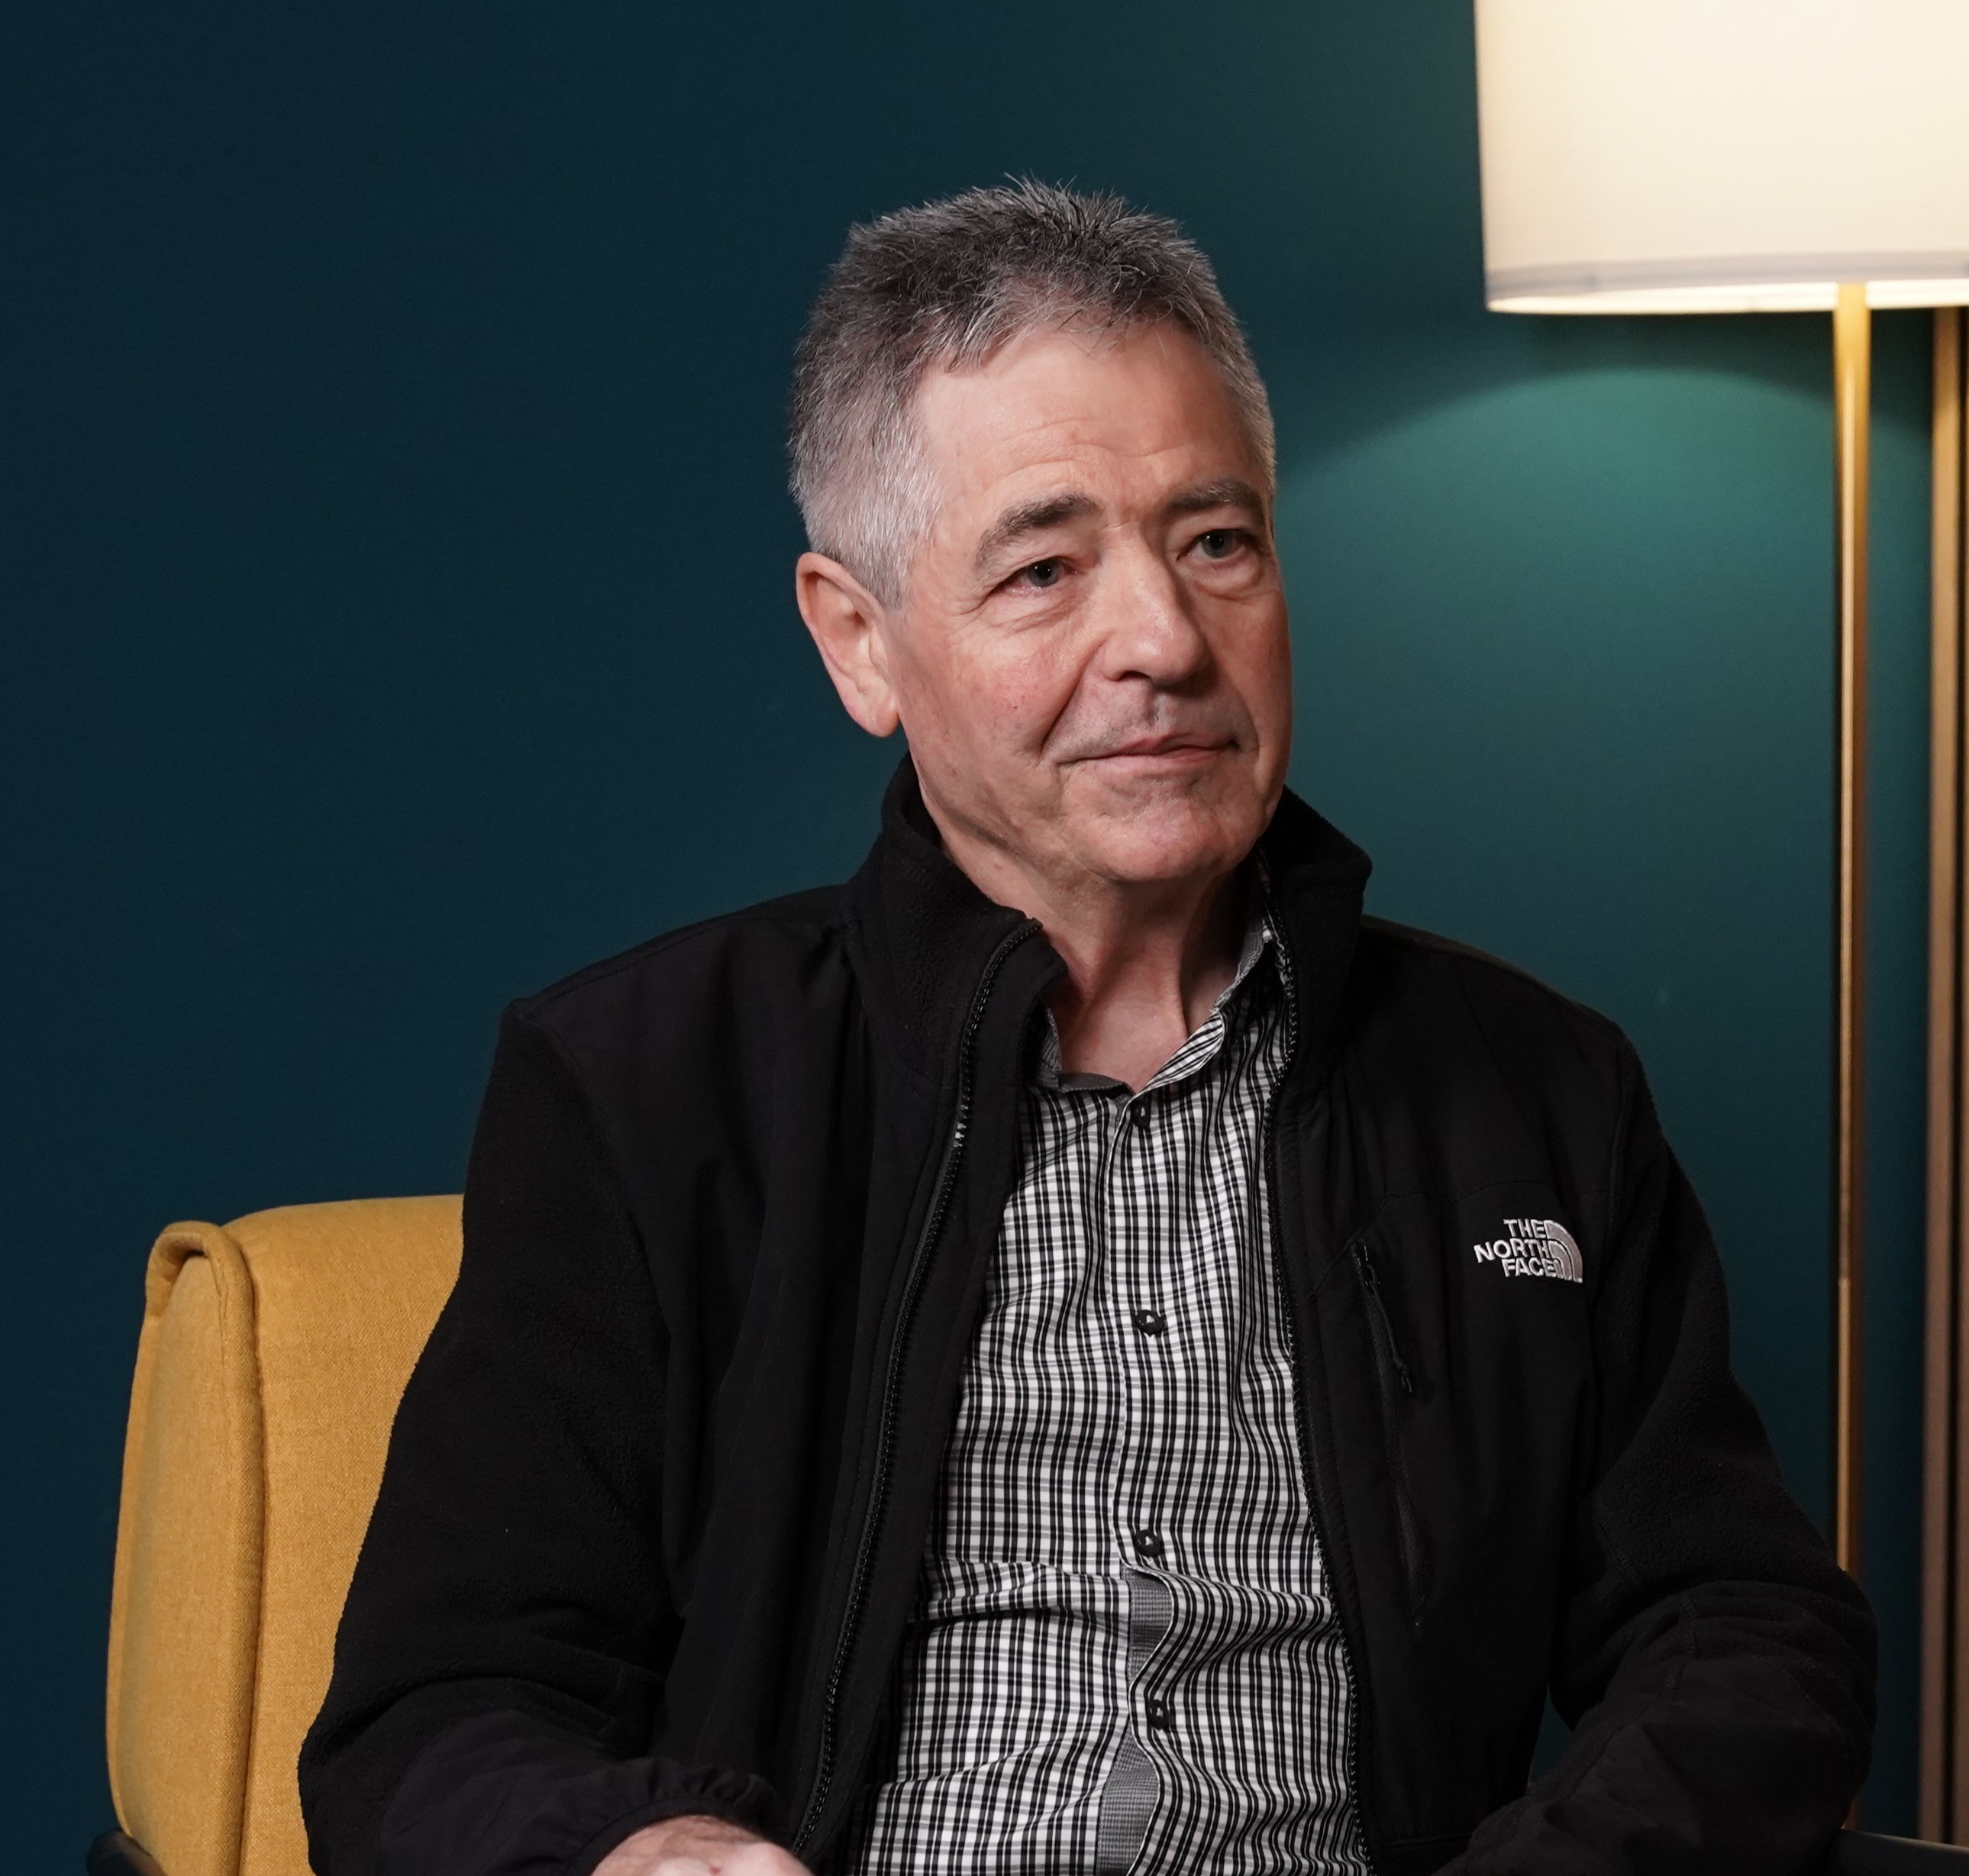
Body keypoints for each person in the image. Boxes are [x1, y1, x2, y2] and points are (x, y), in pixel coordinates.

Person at [300, 182, 1873, 1876]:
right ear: (858, 640)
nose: (1165, 642)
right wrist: (639, 1852)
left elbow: (1743, 1634)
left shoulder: (1535, 1091)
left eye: (1217, 543)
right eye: (1044, 568)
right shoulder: (644, 1084)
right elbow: (434, 1713)